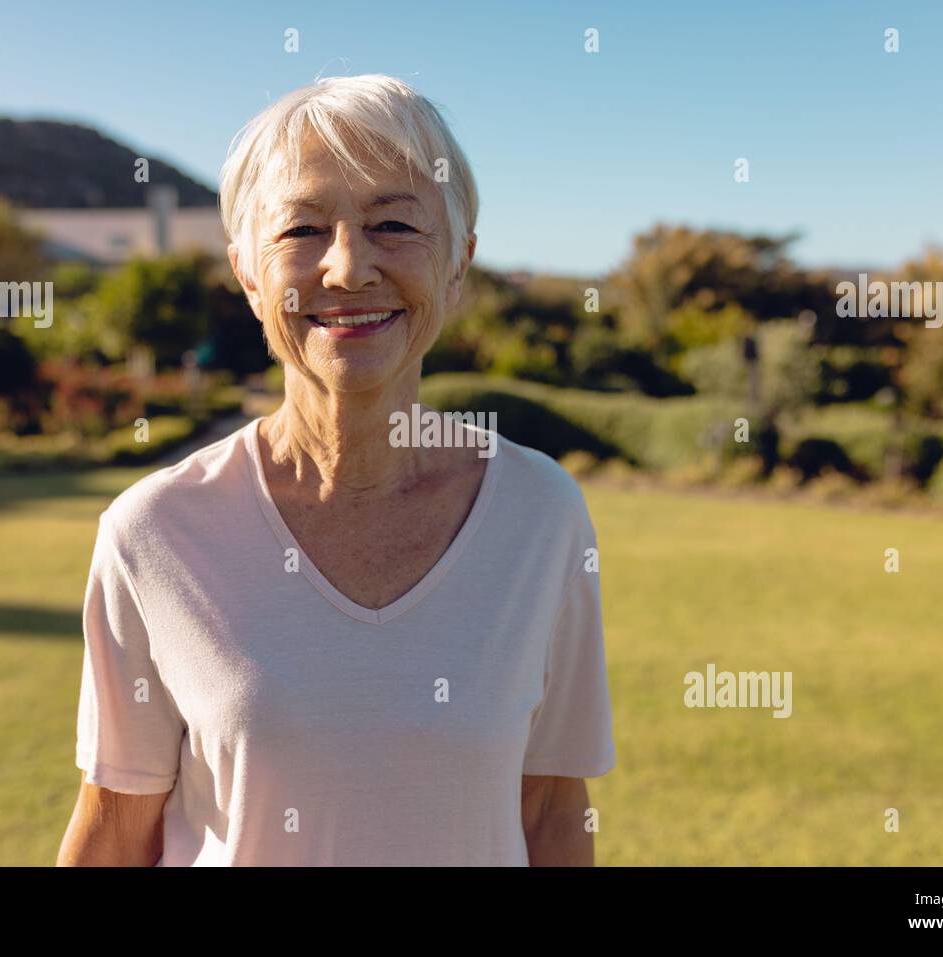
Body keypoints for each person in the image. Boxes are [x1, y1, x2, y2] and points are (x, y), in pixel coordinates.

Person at [57, 74, 616, 866]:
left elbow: (554, 809)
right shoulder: (151, 532)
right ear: (250, 274)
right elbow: (115, 828)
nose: (348, 268)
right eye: (301, 231)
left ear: (458, 264)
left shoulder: (541, 514)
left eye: (394, 223)